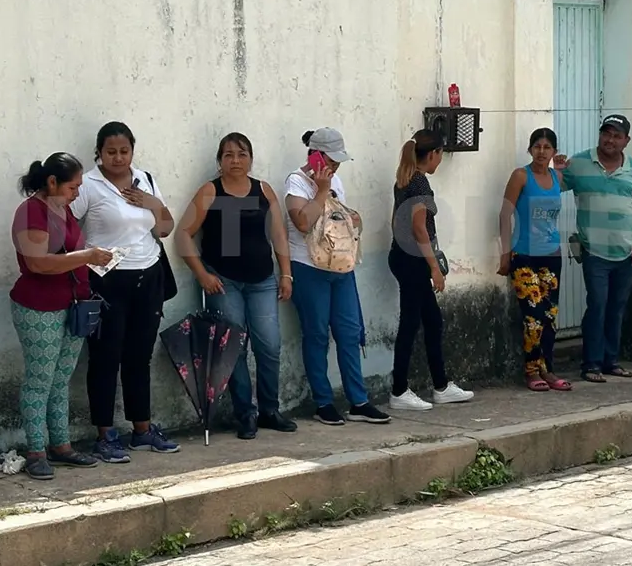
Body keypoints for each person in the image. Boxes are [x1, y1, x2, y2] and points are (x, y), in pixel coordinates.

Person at [175, 133, 299, 439]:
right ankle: (246, 413)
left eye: (242, 154)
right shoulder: (210, 191)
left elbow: (279, 236)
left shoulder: (263, 190)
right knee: (233, 349)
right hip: (224, 282)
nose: (235, 161)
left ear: (251, 159)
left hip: (262, 281)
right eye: (228, 155)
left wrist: (286, 274)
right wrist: (202, 273)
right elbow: (183, 234)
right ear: (219, 161)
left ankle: (270, 409)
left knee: (269, 345)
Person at [70, 121, 178, 462]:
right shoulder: (88, 184)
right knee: (105, 358)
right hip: (106, 281)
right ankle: (105, 434)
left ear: (133, 150)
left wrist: (150, 202)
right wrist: (84, 259)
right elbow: (67, 227)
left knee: (138, 356)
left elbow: (166, 226)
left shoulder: (144, 179)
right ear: (99, 153)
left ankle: (142, 430)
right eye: (110, 152)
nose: (118, 158)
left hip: (149, 276)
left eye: (124, 151)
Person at [10, 153, 113, 479]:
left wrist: (94, 258)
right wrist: (86, 255)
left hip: (72, 305)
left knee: (60, 381)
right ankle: (36, 451)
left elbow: (68, 256)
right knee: (39, 381)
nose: (77, 194)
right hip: (39, 307)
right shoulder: (31, 212)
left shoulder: (63, 210)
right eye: (72, 186)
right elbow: (39, 262)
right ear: (52, 182)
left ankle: (61, 446)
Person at [284, 128, 391, 426]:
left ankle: (359, 400)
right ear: (315, 155)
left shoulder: (337, 181)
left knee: (349, 331)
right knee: (316, 334)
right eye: (331, 160)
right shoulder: (296, 182)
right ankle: (323, 402)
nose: (336, 166)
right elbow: (302, 222)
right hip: (308, 268)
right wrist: (320, 190)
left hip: (340, 266)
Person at [555, 114, 632, 384]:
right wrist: (557, 170)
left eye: (616, 135)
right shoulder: (580, 163)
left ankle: (611, 361)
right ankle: (591, 364)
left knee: (616, 307)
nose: (610, 140)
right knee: (597, 304)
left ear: (626, 140)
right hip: (594, 250)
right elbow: (553, 189)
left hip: (626, 252)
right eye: (606, 133)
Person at [388, 130, 474, 410]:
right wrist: (434, 267)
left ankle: (441, 385)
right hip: (413, 259)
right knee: (411, 324)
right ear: (434, 154)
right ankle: (399, 390)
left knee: (433, 322)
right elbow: (418, 227)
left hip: (403, 256)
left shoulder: (404, 180)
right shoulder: (420, 183)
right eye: (440, 155)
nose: (440, 161)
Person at [498, 128, 571, 391]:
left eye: (547, 147)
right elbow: (505, 214)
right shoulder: (521, 176)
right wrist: (505, 253)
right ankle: (531, 371)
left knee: (550, 316)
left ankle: (548, 370)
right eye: (537, 146)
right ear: (530, 149)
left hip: (551, 255)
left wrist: (561, 167)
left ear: (553, 151)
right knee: (533, 316)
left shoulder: (557, 177)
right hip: (524, 255)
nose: (542, 151)